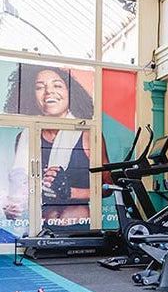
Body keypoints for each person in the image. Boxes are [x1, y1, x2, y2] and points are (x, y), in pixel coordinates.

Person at [2, 64, 110, 229]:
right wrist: (13, 207)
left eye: (57, 85)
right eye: (40, 87)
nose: (49, 91)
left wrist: (70, 192)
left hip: (78, 228)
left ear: (70, 94)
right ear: (32, 96)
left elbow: (107, 187)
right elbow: (21, 191)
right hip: (40, 229)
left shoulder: (89, 135)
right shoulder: (25, 138)